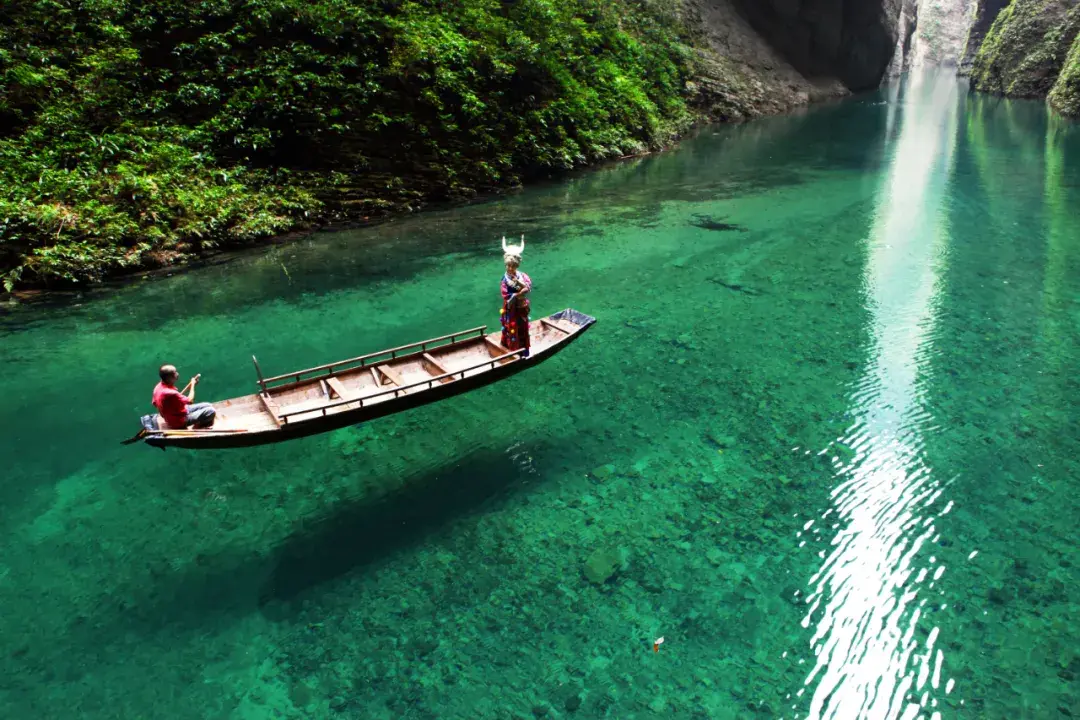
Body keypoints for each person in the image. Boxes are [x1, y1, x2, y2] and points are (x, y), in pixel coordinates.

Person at [151, 364, 216, 429]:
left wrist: (165, 413)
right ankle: (198, 427)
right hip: (179, 420)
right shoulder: (171, 393)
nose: (177, 374)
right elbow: (190, 400)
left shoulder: (157, 387)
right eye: (174, 373)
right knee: (211, 411)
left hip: (177, 412)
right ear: (169, 378)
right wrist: (192, 385)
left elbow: (155, 403)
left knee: (208, 405)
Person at [499, 234, 532, 358]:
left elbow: (528, 287)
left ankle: (523, 350)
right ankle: (511, 349)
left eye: (513, 265)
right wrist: (519, 293)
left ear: (517, 265)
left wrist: (520, 288)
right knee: (511, 327)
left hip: (521, 307)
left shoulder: (522, 276)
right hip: (511, 308)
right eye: (508, 265)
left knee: (522, 326)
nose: (510, 268)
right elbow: (505, 294)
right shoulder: (505, 279)